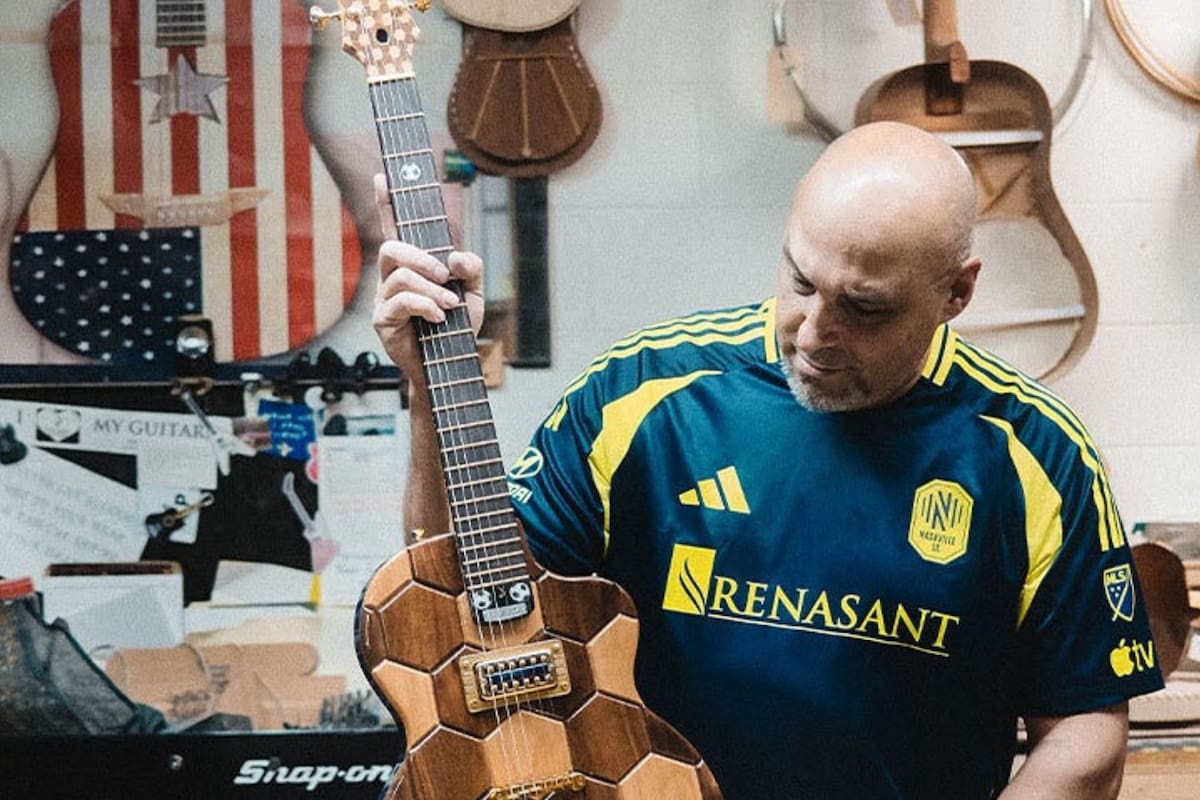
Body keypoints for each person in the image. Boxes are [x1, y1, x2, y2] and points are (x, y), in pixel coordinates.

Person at [372, 121, 1164, 799]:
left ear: (956, 293)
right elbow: (463, 604)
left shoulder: (1035, 452)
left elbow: (1085, 731)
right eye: (801, 281)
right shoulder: (644, 394)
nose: (815, 333)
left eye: (865, 307)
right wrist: (427, 392)